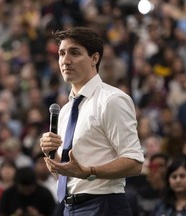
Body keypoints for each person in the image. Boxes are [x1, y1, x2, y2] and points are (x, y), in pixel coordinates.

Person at [40, 27, 144, 215]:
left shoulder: (112, 100)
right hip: (70, 207)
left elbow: (135, 162)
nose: (65, 60)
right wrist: (51, 157)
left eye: (75, 52)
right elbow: (68, 175)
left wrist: (89, 171)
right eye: (61, 53)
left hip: (104, 204)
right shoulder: (65, 111)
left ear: (94, 59)